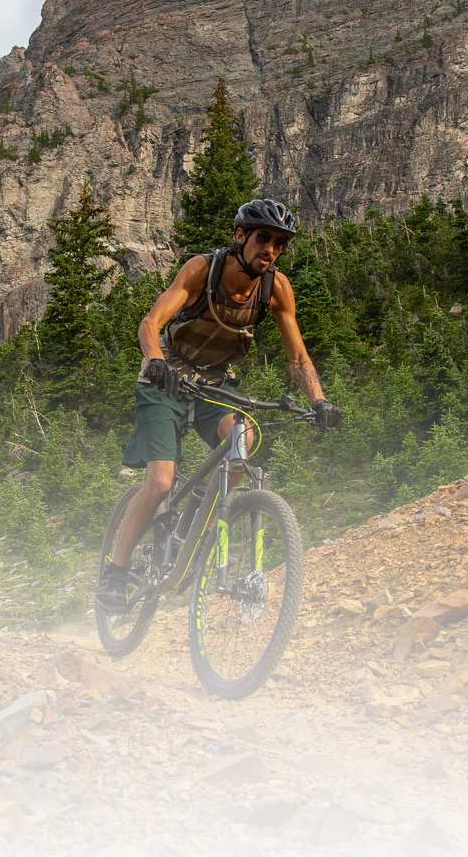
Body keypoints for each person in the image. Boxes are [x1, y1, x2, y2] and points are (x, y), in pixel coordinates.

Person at [99, 198, 340, 613]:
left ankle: (195, 532)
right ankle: (115, 573)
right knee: (160, 482)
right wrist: (155, 360)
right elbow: (150, 323)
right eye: (263, 238)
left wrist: (319, 400)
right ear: (240, 235)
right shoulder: (202, 270)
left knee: (242, 441)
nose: (270, 249)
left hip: (214, 385)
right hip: (166, 381)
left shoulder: (276, 289)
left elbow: (298, 357)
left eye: (279, 243)